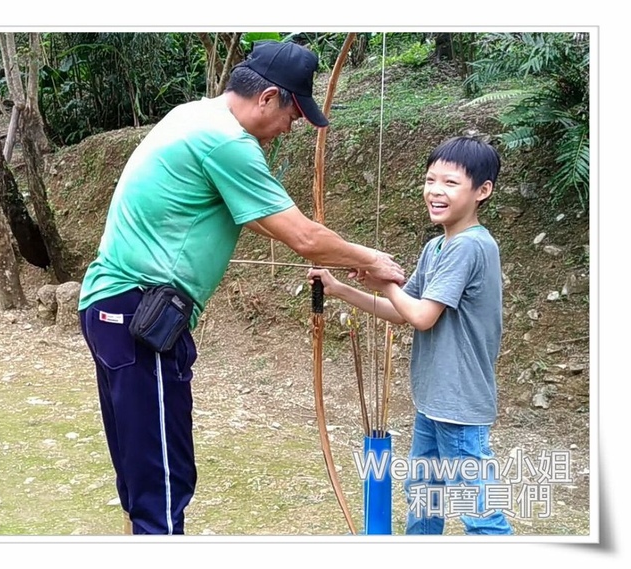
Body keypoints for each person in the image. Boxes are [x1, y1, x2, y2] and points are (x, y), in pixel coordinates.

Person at [77, 40, 406, 535]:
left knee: (143, 473)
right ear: (269, 97)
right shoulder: (227, 141)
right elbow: (303, 236)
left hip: (114, 310)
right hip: (141, 313)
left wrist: (342, 258)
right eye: (293, 115)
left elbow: (257, 218)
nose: (290, 129)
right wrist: (374, 261)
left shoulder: (194, 116)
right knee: (163, 481)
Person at [308, 136, 514, 535]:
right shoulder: (438, 247)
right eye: (430, 180)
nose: (436, 191)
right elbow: (401, 312)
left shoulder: (469, 246)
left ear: (482, 191)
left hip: (457, 402)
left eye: (451, 183)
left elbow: (421, 316)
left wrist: (385, 283)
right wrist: (341, 288)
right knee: (422, 494)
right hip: (434, 399)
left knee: (479, 512)